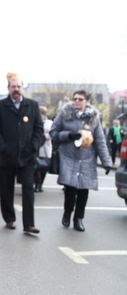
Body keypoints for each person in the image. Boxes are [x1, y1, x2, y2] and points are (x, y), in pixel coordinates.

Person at [0, 72, 44, 233]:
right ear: (8, 88)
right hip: (6, 155)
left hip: (27, 155)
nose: (16, 89)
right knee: (6, 189)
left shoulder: (32, 106)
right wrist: (2, 147)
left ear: (23, 88)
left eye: (19, 86)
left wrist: (33, 146)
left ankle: (29, 224)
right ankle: (9, 219)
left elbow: (38, 129)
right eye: (13, 87)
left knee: (28, 189)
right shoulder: (0, 106)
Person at [50, 90, 112, 232]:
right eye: (75, 99)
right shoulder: (65, 114)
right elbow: (53, 132)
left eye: (80, 99)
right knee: (70, 189)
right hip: (68, 156)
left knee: (84, 190)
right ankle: (67, 213)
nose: (77, 101)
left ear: (87, 102)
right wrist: (68, 135)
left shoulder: (94, 118)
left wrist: (106, 161)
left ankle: (79, 219)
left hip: (86, 158)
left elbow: (100, 141)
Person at [34, 107, 53, 192]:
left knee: (44, 166)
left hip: (46, 146)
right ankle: (37, 183)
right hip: (37, 147)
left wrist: (45, 136)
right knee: (37, 166)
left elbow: (52, 133)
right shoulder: (35, 121)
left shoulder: (50, 123)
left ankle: (41, 184)